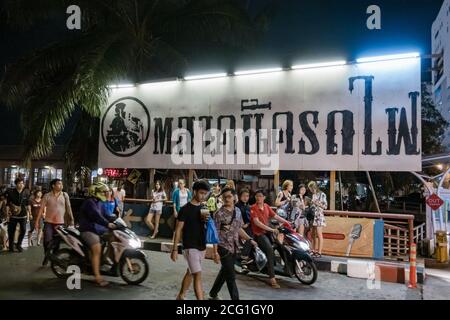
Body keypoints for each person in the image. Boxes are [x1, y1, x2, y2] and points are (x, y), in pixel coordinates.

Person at [209, 188, 256, 300]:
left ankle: (213, 293)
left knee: (225, 271)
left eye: (229, 196)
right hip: (223, 247)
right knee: (231, 276)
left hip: (235, 246)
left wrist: (249, 239)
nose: (226, 199)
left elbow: (238, 229)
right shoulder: (218, 214)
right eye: (224, 197)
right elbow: (215, 234)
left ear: (234, 197)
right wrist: (215, 252)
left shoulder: (238, 211)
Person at [171, 180, 210, 300]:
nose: (203, 196)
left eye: (205, 194)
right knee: (197, 274)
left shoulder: (204, 208)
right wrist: (174, 249)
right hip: (190, 246)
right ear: (194, 192)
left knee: (191, 272)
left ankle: (181, 295)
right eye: (201, 193)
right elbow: (178, 230)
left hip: (201, 245)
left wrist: (207, 220)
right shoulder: (185, 209)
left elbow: (206, 227)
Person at [78, 182, 117, 286]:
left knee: (114, 236)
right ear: (96, 192)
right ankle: (97, 277)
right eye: (103, 192)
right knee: (97, 248)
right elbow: (97, 217)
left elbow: (106, 215)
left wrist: (116, 220)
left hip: (98, 229)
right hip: (88, 230)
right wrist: (107, 224)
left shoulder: (100, 203)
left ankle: (106, 258)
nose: (105, 194)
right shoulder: (89, 203)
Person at [250, 189, 290, 289]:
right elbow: (257, 223)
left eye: (260, 196)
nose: (258, 198)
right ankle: (272, 278)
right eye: (257, 196)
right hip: (258, 234)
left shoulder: (267, 206)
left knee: (281, 246)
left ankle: (288, 269)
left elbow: (275, 216)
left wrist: (286, 222)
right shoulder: (253, 208)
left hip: (268, 232)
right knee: (270, 250)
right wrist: (272, 229)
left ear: (264, 198)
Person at [36, 179, 75, 265]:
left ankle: (54, 258)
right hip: (48, 222)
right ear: (53, 185)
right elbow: (41, 209)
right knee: (47, 241)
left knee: (57, 243)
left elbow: (69, 208)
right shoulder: (47, 196)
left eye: (61, 184)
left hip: (60, 223)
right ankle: (47, 255)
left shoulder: (65, 195)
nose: (61, 185)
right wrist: (37, 222)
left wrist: (72, 220)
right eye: (59, 184)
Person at [6, 178, 30, 253]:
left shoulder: (26, 192)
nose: (21, 185)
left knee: (23, 230)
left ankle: (19, 245)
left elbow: (28, 204)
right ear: (16, 184)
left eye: (22, 183)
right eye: (19, 183)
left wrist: (29, 214)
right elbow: (7, 204)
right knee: (11, 231)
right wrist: (7, 215)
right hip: (13, 215)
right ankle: (11, 247)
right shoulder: (11, 192)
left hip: (23, 215)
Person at [308, 181, 328, 258]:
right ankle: (313, 250)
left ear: (313, 187)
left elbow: (325, 206)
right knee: (313, 234)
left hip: (319, 216)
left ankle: (319, 252)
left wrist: (316, 203)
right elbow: (313, 205)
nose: (310, 190)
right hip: (313, 216)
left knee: (319, 234)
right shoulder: (314, 195)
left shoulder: (322, 194)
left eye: (310, 188)